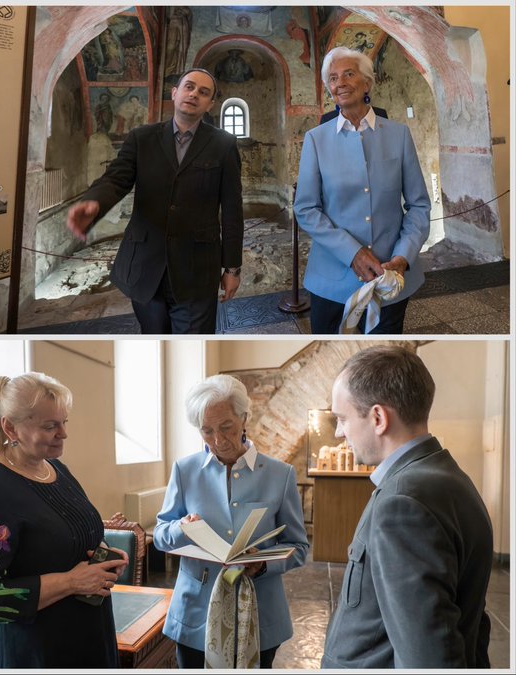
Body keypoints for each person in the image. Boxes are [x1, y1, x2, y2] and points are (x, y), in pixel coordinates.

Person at [323, 346, 492, 668]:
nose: (339, 432)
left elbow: (427, 653)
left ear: (378, 418)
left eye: (342, 419)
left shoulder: (403, 504)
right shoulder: (446, 475)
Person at [0, 373, 128, 668]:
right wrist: (72, 582)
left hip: (90, 634)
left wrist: (104, 557)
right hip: (36, 651)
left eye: (64, 422)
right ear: (11, 427)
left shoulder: (56, 469)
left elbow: (73, 535)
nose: (64, 434)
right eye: (50, 426)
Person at [67, 68, 244, 334]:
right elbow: (115, 179)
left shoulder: (224, 144)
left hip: (196, 271)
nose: (194, 94)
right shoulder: (142, 138)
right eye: (189, 87)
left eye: (204, 92)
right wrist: (94, 203)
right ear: (175, 93)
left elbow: (232, 209)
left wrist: (232, 268)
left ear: (210, 104)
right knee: (154, 338)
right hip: (146, 266)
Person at [154, 375, 308, 668]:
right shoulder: (185, 470)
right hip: (195, 613)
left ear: (244, 418)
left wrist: (262, 564)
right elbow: (161, 535)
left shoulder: (280, 474)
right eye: (206, 431)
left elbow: (299, 547)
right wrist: (180, 527)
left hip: (260, 612)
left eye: (226, 427)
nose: (218, 440)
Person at [295, 46, 430, 334]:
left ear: (367, 82)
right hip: (332, 275)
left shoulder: (398, 135)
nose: (339, 83)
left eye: (348, 74)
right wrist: (353, 253)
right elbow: (305, 209)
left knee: (384, 352)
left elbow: (418, 205)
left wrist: (403, 256)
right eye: (332, 78)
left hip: (390, 273)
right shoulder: (316, 140)